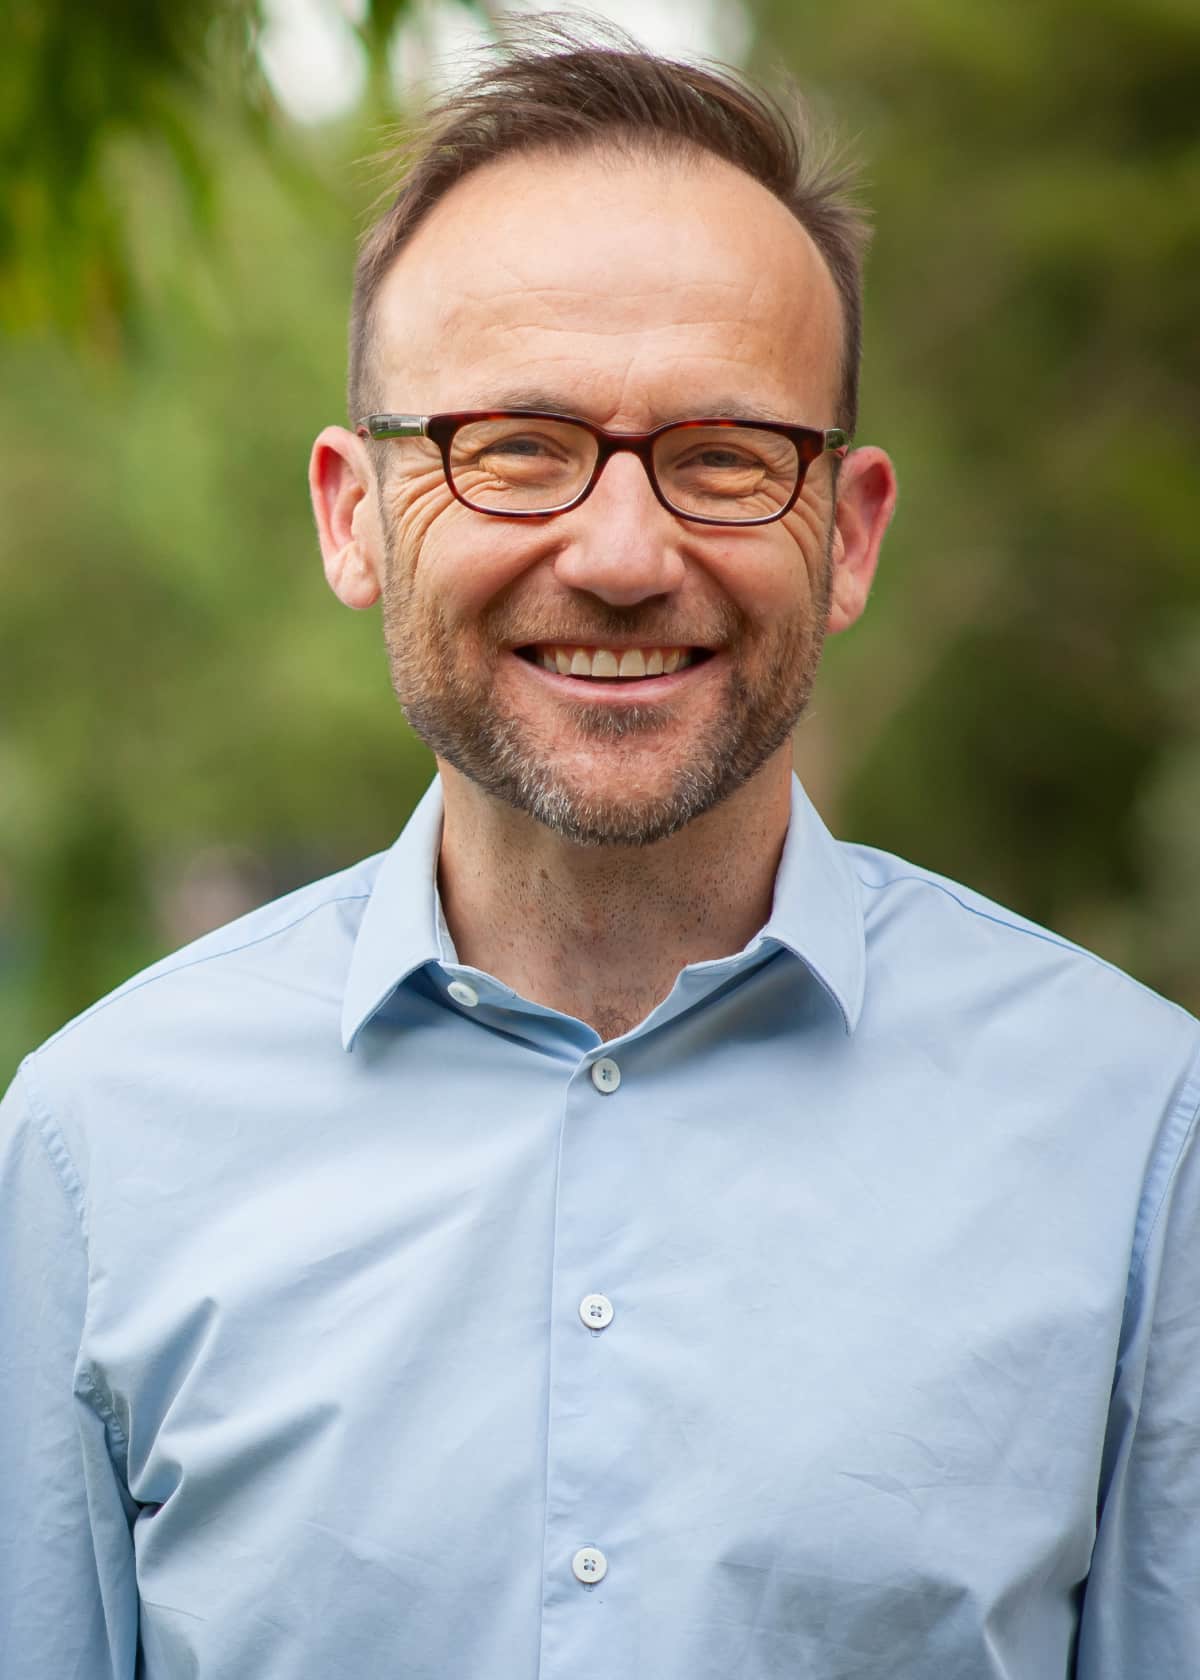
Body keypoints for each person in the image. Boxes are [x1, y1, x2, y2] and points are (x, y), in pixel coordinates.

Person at [2, 25, 1197, 1680]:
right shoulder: (91, 1149)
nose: (624, 554)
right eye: (515, 448)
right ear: (357, 515)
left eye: (724, 458)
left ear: (846, 536)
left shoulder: (1139, 1139)